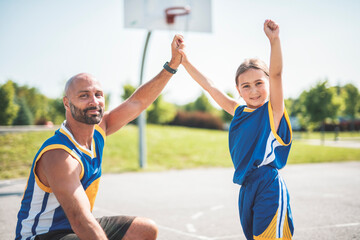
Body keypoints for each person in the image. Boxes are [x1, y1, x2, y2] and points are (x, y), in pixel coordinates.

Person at [15, 35, 185, 240]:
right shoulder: (60, 156)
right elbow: (81, 221)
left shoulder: (98, 130)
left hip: (73, 229)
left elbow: (137, 103)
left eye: (98, 94)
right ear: (67, 103)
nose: (94, 102)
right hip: (43, 235)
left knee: (145, 230)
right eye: (84, 95)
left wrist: (172, 65)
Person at [180, 20, 294, 240]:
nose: (254, 91)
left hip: (267, 184)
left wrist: (274, 41)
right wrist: (185, 61)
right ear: (239, 91)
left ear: (269, 83)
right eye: (246, 86)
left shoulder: (273, 112)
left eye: (259, 83)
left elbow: (277, 74)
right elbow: (209, 86)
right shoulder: (239, 111)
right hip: (246, 187)